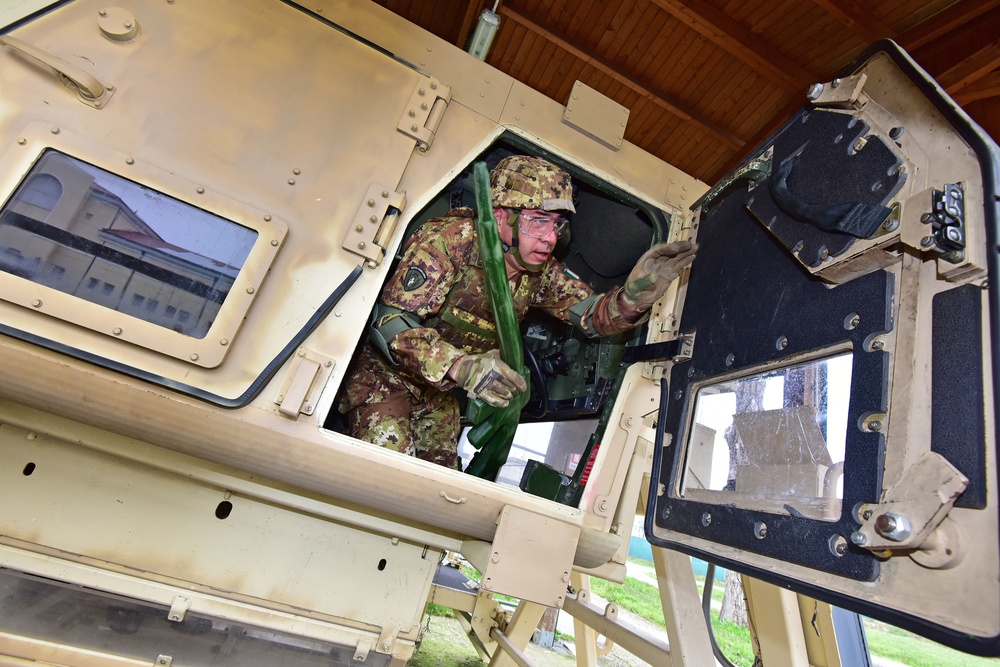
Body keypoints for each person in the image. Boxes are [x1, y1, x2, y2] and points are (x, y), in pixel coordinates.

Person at [338, 156, 695, 468]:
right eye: (538, 221)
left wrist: (633, 298)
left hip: (440, 397)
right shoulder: (452, 241)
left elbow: (591, 315)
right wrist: (461, 366)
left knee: (439, 487)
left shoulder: (539, 272)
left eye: (556, 225)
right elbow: (390, 324)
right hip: (384, 382)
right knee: (387, 476)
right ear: (499, 216)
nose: (550, 238)